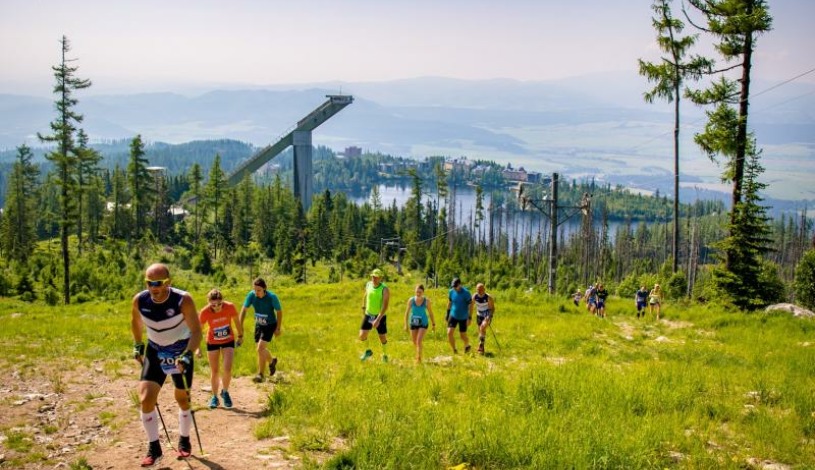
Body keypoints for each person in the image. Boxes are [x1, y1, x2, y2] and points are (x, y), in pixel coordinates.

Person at [131, 263, 202, 466]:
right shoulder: (140, 300)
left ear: (168, 282)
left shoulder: (183, 300)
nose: (154, 287)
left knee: (182, 398)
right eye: (149, 282)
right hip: (155, 351)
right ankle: (154, 447)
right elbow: (135, 322)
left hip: (180, 351)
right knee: (146, 399)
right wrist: (138, 344)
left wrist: (188, 354)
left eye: (158, 283)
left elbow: (196, 331)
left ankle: (184, 438)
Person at [196, 289, 242, 409]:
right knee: (215, 371)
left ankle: (225, 392)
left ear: (223, 301)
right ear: (209, 303)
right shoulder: (205, 312)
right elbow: (198, 331)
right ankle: (214, 397)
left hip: (228, 340)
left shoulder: (230, 307)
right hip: (212, 342)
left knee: (227, 368)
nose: (216, 307)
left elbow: (237, 322)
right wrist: (197, 348)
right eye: (213, 305)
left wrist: (240, 336)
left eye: (219, 304)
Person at [239, 278, 283, 383]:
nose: (256, 292)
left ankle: (270, 364)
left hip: (270, 325)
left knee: (260, 349)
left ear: (264, 289)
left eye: (258, 290)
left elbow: (279, 312)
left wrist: (278, 328)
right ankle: (262, 373)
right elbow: (244, 310)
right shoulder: (251, 295)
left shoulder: (272, 297)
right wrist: (240, 326)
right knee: (260, 351)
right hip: (259, 324)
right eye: (254, 290)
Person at [360, 268, 390, 362]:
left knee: (382, 337)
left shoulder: (384, 289)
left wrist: (378, 319)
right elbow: (366, 294)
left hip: (379, 316)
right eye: (373, 276)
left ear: (380, 278)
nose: (374, 278)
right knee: (362, 336)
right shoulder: (368, 284)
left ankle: (385, 355)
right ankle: (368, 351)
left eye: (376, 277)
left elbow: (385, 306)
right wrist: (363, 306)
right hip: (368, 314)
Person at [403, 284, 436, 363]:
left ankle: (419, 359)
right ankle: (418, 354)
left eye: (420, 292)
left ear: (423, 292)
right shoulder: (411, 300)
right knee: (414, 341)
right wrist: (405, 325)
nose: (418, 293)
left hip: (423, 323)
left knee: (418, 341)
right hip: (413, 322)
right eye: (417, 292)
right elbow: (406, 313)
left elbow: (431, 313)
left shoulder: (426, 301)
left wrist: (433, 324)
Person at [446, 277, 473, 354]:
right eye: (453, 286)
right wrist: (447, 314)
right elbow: (450, 302)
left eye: (456, 286)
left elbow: (470, 306)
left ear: (460, 285)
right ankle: (454, 350)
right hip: (453, 315)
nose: (454, 288)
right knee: (449, 333)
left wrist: (469, 317)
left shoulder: (466, 293)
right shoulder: (451, 292)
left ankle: (467, 345)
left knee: (462, 335)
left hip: (463, 317)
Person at [473, 283, 495, 355]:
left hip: (487, 315)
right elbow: (470, 305)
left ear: (484, 289)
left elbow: (492, 308)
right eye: (478, 289)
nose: (479, 291)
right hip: (479, 315)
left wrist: (490, 316)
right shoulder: (475, 296)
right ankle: (482, 348)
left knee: (482, 328)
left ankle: (480, 345)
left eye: (481, 289)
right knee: (481, 331)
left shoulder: (488, 297)